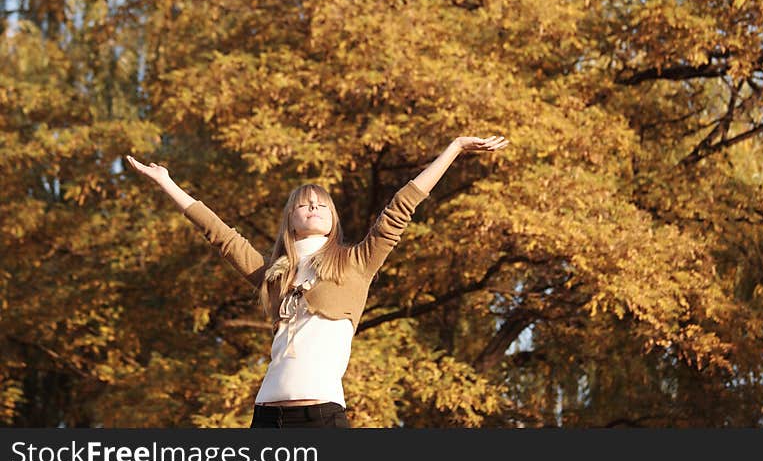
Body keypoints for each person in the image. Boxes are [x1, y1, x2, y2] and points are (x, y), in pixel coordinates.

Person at [125, 135, 509, 428]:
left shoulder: (356, 262)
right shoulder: (273, 274)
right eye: (304, 203)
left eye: (322, 204)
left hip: (321, 416)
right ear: (290, 218)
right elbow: (222, 236)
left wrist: (455, 148)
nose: (313, 207)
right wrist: (166, 183)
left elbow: (401, 207)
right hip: (265, 416)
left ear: (333, 220)